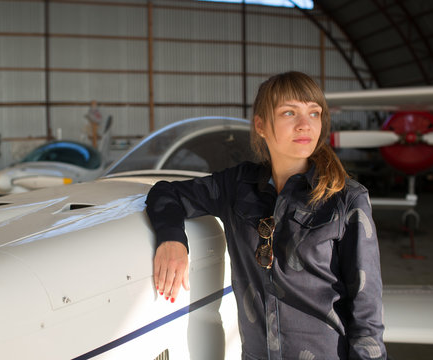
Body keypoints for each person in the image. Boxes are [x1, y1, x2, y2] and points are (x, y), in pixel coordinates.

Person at [145, 71, 386, 360]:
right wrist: (172, 240)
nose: (304, 124)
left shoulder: (346, 198)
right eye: (289, 112)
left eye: (314, 113)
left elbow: (367, 311)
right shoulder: (238, 186)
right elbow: (165, 193)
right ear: (260, 125)